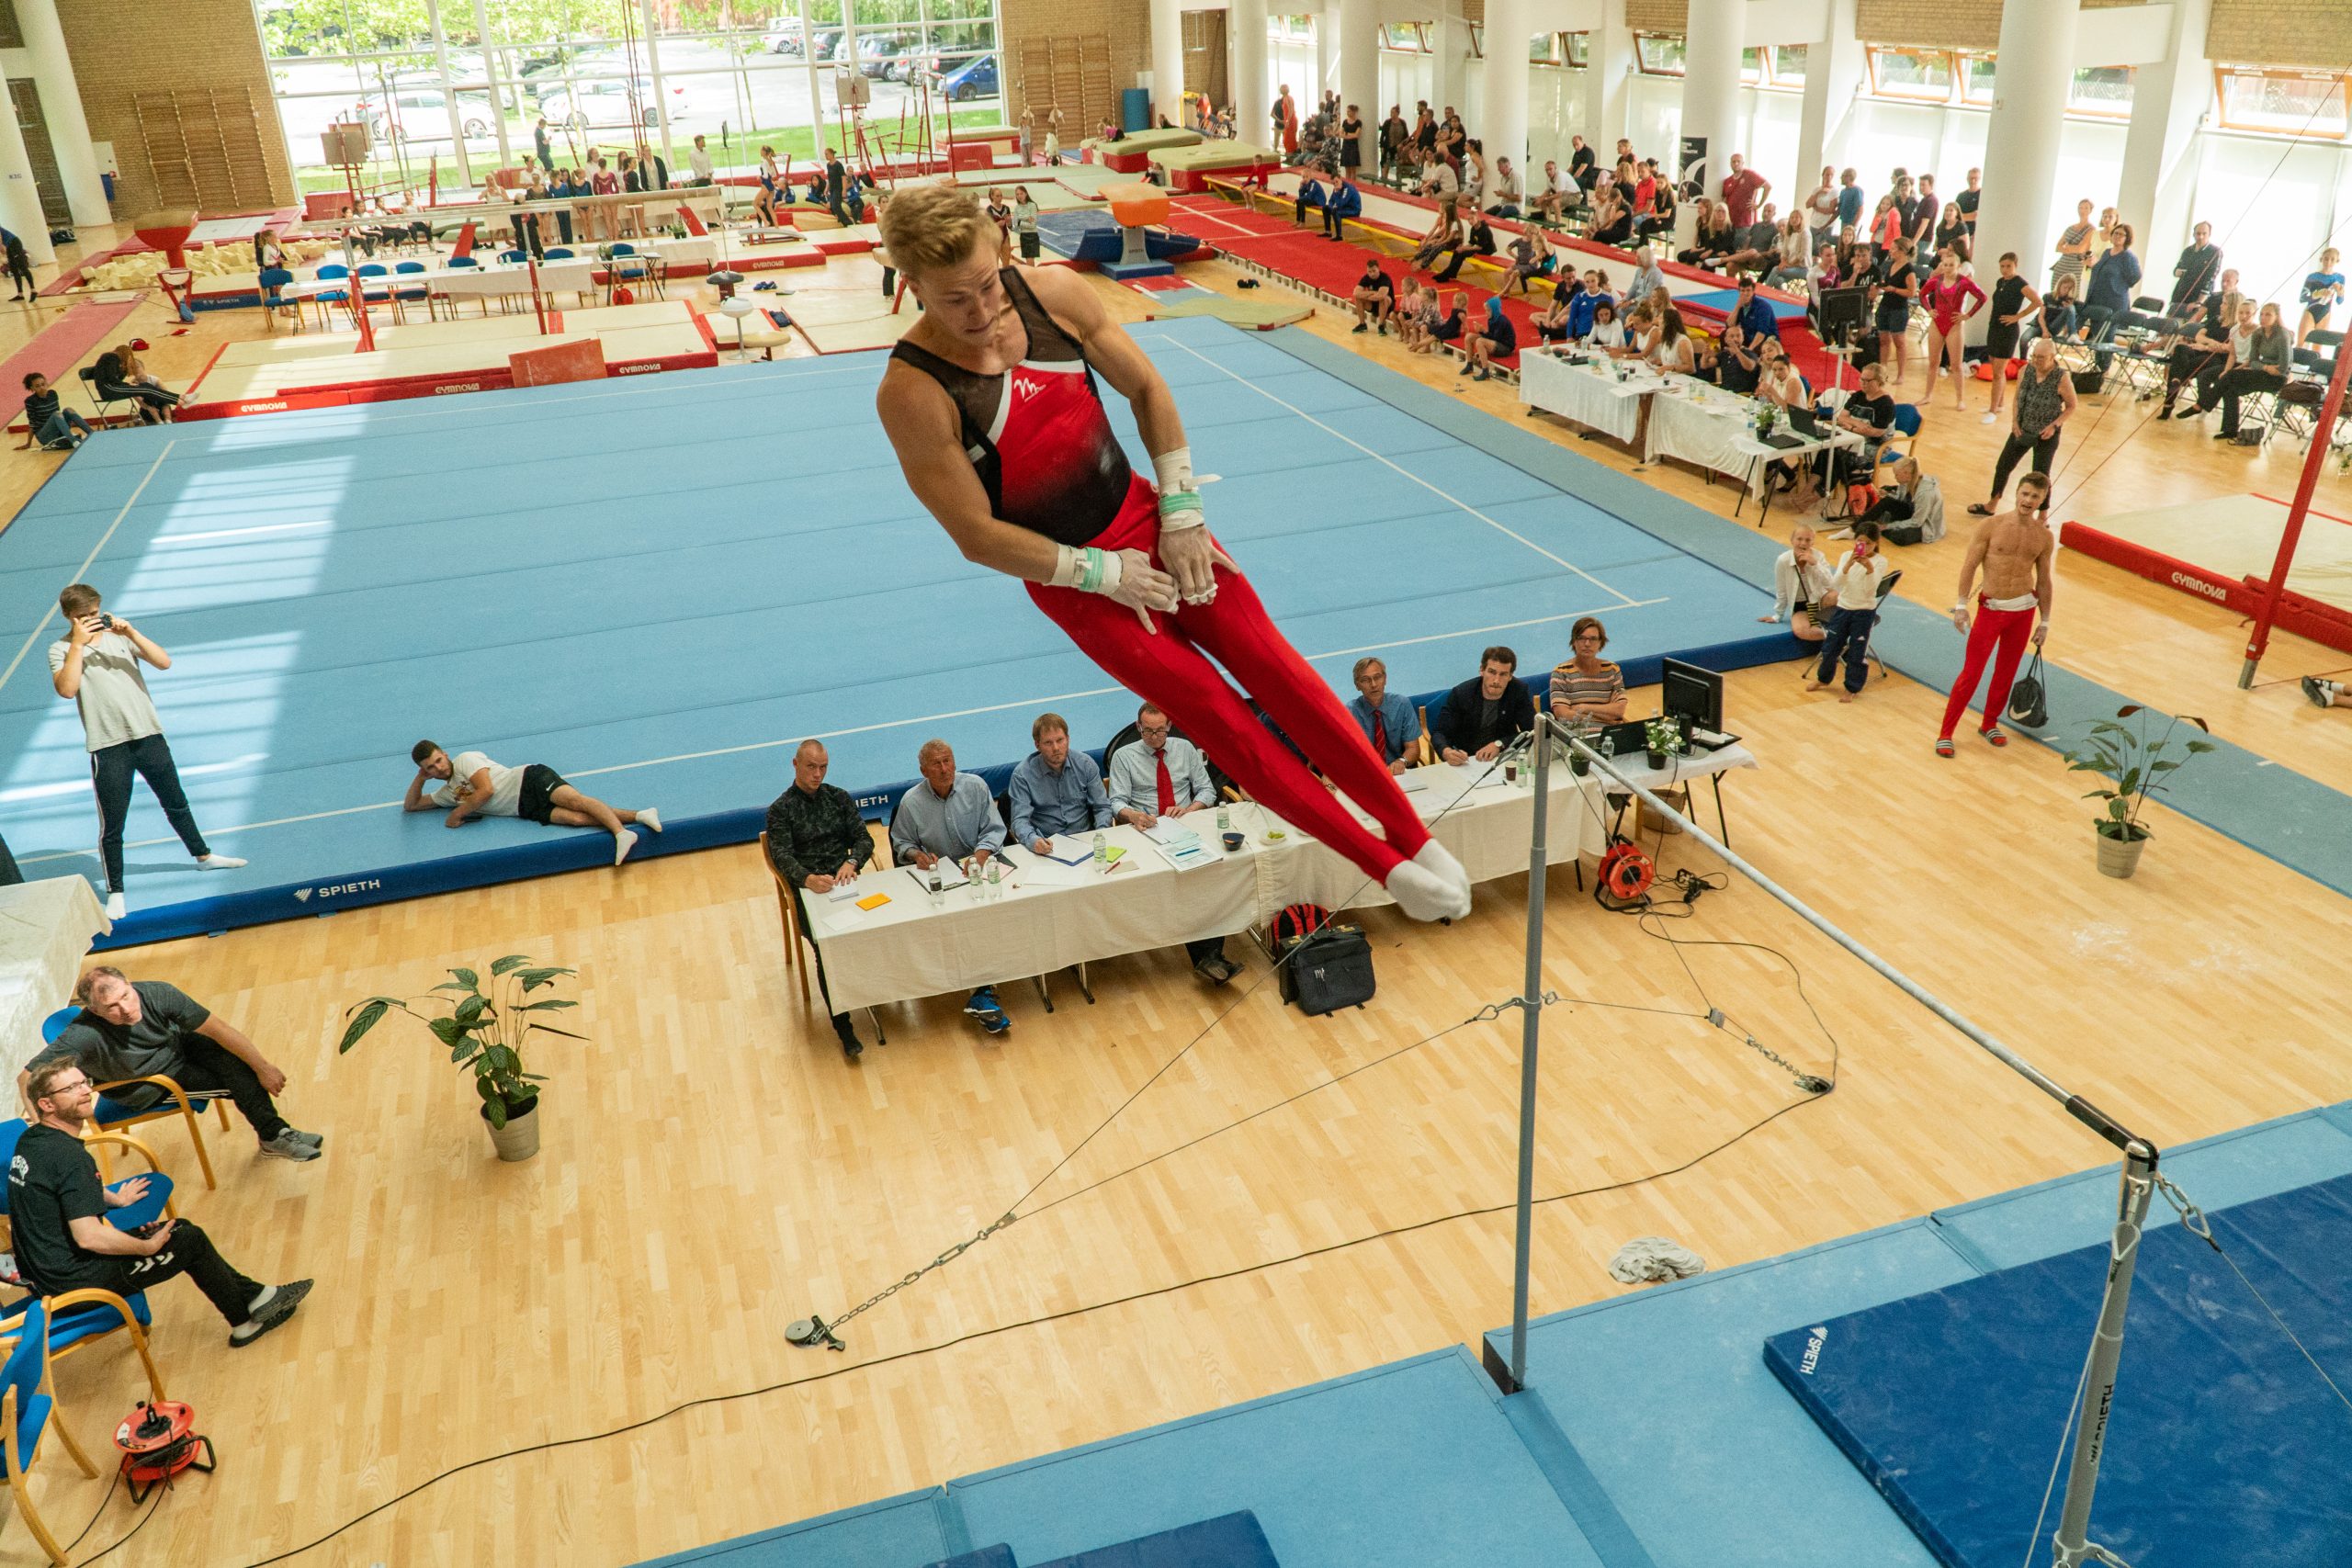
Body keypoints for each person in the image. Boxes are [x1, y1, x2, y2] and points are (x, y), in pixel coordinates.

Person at [873, 185, 1468, 919]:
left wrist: (1182, 509)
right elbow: (975, 534)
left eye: (988, 283)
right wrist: (1099, 572)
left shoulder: (1054, 294)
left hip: (1152, 522)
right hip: (1078, 584)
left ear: (1000, 251)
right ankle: (1380, 863)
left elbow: (1147, 387)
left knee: (1276, 668)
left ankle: (1414, 833)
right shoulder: (912, 391)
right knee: (1222, 718)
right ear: (912, 287)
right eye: (953, 300)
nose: (981, 311)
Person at [11, 1060, 313, 1347]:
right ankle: (246, 1323)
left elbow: (60, 1187)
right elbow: (89, 1236)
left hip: (43, 1274)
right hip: (74, 1286)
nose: (86, 1091)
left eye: (84, 1083)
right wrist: (145, 1247)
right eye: (71, 1089)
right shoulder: (70, 1158)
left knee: (176, 1230)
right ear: (46, 1105)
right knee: (187, 1240)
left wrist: (113, 1198)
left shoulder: (33, 1140)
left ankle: (257, 1299)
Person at [48, 585, 245, 919]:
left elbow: (164, 662)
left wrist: (132, 632)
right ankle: (116, 891)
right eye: (83, 618)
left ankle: (203, 856)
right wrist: (78, 646)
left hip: (148, 735)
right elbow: (67, 689)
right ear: (69, 617)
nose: (92, 621)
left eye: (95, 614)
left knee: (176, 803)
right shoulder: (61, 648)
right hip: (108, 745)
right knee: (113, 825)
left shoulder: (119, 636)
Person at [23, 966, 321, 1162]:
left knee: (240, 1060)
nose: (126, 1010)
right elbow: (26, 1077)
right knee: (240, 1077)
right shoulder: (84, 1034)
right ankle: (273, 1136)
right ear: (93, 1010)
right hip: (147, 1084)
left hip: (174, 1049)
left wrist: (264, 1067)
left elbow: (219, 1029)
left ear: (129, 984)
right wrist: (44, 1132)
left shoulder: (157, 993)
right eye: (112, 1007)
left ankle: (275, 1134)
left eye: (126, 996)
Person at [1101, 705, 1238, 982]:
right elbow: (1116, 802)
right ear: (1138, 727)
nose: (1154, 737)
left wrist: (1191, 809)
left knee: (1208, 878)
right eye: (1148, 731)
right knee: (1187, 882)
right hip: (1146, 831)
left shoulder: (1185, 750)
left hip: (1185, 826)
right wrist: (1134, 815)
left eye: (1160, 730)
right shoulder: (1124, 757)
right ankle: (1209, 957)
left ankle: (1210, 958)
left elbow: (1206, 789)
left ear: (1170, 726)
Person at [890, 739, 1014, 1030]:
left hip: (979, 869)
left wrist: (981, 854)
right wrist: (916, 855)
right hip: (943, 877)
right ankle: (983, 990)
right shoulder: (911, 802)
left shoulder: (976, 787)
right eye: (936, 763)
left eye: (948, 761)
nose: (944, 768)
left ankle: (985, 988)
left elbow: (995, 829)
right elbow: (902, 843)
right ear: (924, 770)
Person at [764, 740, 876, 1060]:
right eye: (811, 767)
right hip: (809, 890)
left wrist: (852, 863)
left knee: (882, 922)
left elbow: (863, 838)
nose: (818, 774)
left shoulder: (838, 797)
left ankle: (879, 992)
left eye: (823, 767)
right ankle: (843, 1025)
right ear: (795, 765)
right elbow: (781, 856)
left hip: (845, 883)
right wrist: (807, 879)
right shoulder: (781, 810)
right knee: (825, 948)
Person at [1937, 474, 2055, 756]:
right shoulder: (1991, 526)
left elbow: (2044, 581)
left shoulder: (2044, 536)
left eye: (2035, 497)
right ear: (2016, 493)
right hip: (1992, 610)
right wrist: (1962, 605)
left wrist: (2046, 621)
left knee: (2006, 673)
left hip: (2023, 612)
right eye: (2024, 494)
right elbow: (1969, 566)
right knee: (1972, 673)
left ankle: (1989, 723)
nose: (2028, 501)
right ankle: (1946, 732)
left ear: (2042, 500)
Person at [406, 741, 660, 864]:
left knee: (575, 801)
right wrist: (420, 778)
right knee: (575, 819)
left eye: (438, 761)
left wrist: (456, 815)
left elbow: (486, 790)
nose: (437, 768)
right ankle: (641, 815)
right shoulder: (447, 793)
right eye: (430, 768)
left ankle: (620, 833)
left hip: (529, 780)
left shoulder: (465, 760)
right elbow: (412, 806)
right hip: (523, 808)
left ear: (445, 755)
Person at [1970, 337, 2077, 517]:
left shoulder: (2061, 378)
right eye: (2034, 356)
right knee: (2003, 465)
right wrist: (2014, 422)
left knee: (2041, 475)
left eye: (2041, 357)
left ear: (2053, 357)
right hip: (2022, 428)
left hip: (2046, 434)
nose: (2036, 361)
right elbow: (2018, 398)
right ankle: (1992, 504)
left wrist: (2054, 426)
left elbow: (2072, 406)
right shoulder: (2026, 370)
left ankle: (2043, 516)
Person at [1805, 523, 1889, 702]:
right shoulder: (1846, 556)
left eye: (1868, 543)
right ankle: (1824, 679)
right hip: (1843, 608)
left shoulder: (1880, 562)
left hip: (1863, 612)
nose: (1863, 547)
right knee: (1830, 647)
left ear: (1876, 543)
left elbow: (1870, 590)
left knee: (1857, 652)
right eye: (1859, 542)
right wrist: (1847, 566)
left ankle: (1852, 687)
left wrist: (1869, 569)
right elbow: (1836, 584)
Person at [2200, 300, 2291, 442]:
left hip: (2277, 378)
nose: (2263, 318)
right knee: (2230, 389)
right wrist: (2266, 367)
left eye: (2268, 315)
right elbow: (2253, 361)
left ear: (2276, 317)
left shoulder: (2282, 335)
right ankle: (2229, 431)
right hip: (2263, 371)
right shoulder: (2258, 333)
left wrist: (2264, 367)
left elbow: (2284, 367)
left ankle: (2203, 404)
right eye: (2262, 314)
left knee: (2230, 376)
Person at [1430, 648, 1535, 764]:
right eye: (1492, 672)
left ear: (1510, 676)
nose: (1496, 680)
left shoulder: (1518, 691)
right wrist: (1447, 751)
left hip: (1503, 757)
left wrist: (1500, 744)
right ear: (1482, 670)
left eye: (1503, 674)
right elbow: (1439, 733)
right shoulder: (1462, 693)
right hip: (1467, 759)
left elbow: (1532, 731)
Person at [1917, 249, 1985, 412]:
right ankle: (1927, 395)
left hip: (1954, 325)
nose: (1948, 268)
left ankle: (1960, 399)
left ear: (1959, 266)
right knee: (1933, 362)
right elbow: (1922, 294)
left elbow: (1982, 297)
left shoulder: (1964, 282)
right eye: (1945, 265)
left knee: (1956, 364)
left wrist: (1967, 315)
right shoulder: (1936, 280)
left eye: (1951, 265)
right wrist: (1929, 310)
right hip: (1937, 323)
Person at [2158, 290, 2240, 421]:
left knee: (2181, 367)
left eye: (2224, 304)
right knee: (2181, 348)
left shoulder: (2236, 327)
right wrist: (2210, 343)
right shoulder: (2216, 320)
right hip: (2201, 349)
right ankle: (2176, 382)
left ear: (2233, 306)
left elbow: (2228, 348)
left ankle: (2169, 401)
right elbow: (2198, 336)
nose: (2221, 306)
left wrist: (2207, 346)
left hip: (2217, 358)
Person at [1981, 253, 2039, 426]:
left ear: (2015, 265)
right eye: (2002, 266)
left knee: (1998, 372)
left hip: (2008, 330)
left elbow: (2037, 301)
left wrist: (2017, 316)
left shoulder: (2020, 283)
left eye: (2008, 266)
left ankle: (1992, 410)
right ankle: (1999, 404)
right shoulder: (2001, 282)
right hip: (1995, 327)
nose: (2005, 269)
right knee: (1994, 364)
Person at [1759, 524, 1835, 645]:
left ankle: (1841, 630)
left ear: (1813, 542)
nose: (1803, 543)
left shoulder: (1819, 556)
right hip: (1801, 606)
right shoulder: (1783, 560)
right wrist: (1778, 615)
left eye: (1808, 540)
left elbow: (1830, 584)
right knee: (1801, 631)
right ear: (1792, 540)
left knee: (1836, 596)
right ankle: (1836, 636)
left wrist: (1815, 564)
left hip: (1821, 600)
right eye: (1799, 539)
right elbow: (1781, 590)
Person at [1348, 658, 1422, 774]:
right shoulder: (1349, 713)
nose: (1373, 684)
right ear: (1357, 685)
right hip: (1366, 773)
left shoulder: (1402, 704)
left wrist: (1401, 762)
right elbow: (1344, 754)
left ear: (1385, 679)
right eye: (1365, 680)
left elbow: (1413, 748)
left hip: (1398, 772)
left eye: (1377, 677)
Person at [1852, 454, 1946, 546]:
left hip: (1923, 525)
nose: (1895, 477)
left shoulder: (1926, 493)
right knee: (1887, 500)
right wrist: (1887, 495)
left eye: (1896, 474)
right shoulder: (1905, 482)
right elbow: (1899, 499)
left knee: (1901, 537)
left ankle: (1876, 529)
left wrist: (1887, 526)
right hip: (1910, 513)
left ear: (1907, 474)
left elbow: (1917, 521)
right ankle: (1856, 528)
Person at [1548, 618, 1627, 725]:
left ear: (1600, 642)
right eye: (1581, 638)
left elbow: (1619, 711)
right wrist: (1606, 718)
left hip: (1609, 736)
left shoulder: (1612, 670)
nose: (1587, 644)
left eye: (1593, 639)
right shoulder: (1561, 673)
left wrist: (1583, 707)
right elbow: (1563, 716)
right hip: (1576, 737)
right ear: (1574, 642)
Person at [94, 345, 175, 423]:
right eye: (133, 368)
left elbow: (164, 392)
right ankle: (159, 421)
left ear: (143, 367)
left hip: (160, 401)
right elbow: (140, 402)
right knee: (148, 394)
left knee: (161, 400)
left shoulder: (154, 379)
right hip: (147, 408)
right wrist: (149, 408)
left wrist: (163, 401)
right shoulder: (133, 383)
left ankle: (168, 419)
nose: (136, 370)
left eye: (138, 367)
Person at [1876, 237, 1918, 384]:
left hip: (1898, 308)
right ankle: (1882, 370)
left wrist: (1894, 289)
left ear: (1902, 251)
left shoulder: (1909, 270)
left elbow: (1912, 292)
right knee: (1883, 340)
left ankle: (1901, 374)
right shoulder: (1892, 265)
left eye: (1894, 249)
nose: (1891, 251)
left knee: (1899, 342)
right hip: (1885, 305)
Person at [20, 372, 91, 451]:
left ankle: (92, 433)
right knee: (56, 414)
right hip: (44, 436)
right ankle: (74, 442)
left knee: (68, 410)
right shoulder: (30, 401)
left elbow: (60, 418)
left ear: (47, 383)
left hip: (58, 430)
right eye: (37, 386)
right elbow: (32, 424)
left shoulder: (52, 394)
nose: (42, 388)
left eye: (43, 384)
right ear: (32, 388)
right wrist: (28, 443)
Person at [1461, 295, 1516, 382]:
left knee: (1480, 341)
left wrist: (1483, 331)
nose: (1486, 312)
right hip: (1497, 343)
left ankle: (1485, 371)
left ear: (1494, 309)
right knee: (1469, 337)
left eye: (1488, 310)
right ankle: (1469, 364)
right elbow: (1491, 336)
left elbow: (1495, 338)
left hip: (1505, 347)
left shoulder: (1502, 320)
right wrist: (1481, 331)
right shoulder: (1492, 319)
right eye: (1485, 310)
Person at [2168, 220, 2221, 312]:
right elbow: (2176, 271)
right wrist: (2181, 272)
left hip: (2197, 297)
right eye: (2198, 233)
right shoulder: (2187, 251)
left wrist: (2199, 302)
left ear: (2209, 234)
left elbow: (2210, 278)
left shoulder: (2215, 252)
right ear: (2194, 234)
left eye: (2204, 234)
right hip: (2180, 294)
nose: (2200, 237)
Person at [1431, 213, 1497, 284]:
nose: (1470, 221)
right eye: (1468, 219)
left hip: (1486, 250)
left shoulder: (1484, 230)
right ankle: (1450, 274)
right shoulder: (1473, 229)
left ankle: (1445, 274)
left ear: (1477, 218)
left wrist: (1464, 249)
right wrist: (1462, 248)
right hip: (1478, 247)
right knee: (1457, 251)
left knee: (1463, 254)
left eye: (1472, 219)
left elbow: (1479, 247)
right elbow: (1471, 243)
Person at [2299, 248, 2345, 346]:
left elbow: (2340, 301)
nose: (2328, 262)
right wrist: (2317, 294)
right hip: (2310, 312)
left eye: (2332, 259)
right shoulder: (2312, 277)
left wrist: (2340, 292)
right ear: (2321, 259)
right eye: (2326, 259)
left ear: (2337, 261)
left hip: (2325, 314)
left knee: (2318, 347)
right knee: (2301, 344)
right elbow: (2302, 298)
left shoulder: (2339, 278)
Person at [1721, 152, 1770, 230]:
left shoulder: (1750, 175)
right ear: (1730, 164)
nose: (1736, 164)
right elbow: (1723, 200)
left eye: (1738, 161)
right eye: (1733, 162)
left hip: (1746, 224)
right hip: (1730, 223)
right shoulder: (1727, 181)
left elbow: (1768, 187)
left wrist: (1758, 205)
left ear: (1742, 163)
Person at [1350, 255, 1394, 334]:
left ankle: (1381, 326)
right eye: (1370, 272)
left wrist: (1366, 295)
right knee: (1358, 298)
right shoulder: (1366, 278)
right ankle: (1362, 324)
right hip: (1373, 303)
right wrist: (1372, 292)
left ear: (1378, 269)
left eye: (1374, 271)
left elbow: (1381, 295)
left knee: (1384, 299)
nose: (1372, 274)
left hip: (1387, 305)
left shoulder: (1385, 278)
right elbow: (1356, 293)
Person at [1322, 171, 1363, 241]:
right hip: (1344, 208)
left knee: (1336, 212)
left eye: (1336, 182)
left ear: (1340, 179)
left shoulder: (1347, 188)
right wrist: (1331, 207)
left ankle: (1339, 236)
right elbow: (1331, 201)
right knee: (1326, 208)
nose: (1335, 184)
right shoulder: (1336, 188)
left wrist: (1337, 192)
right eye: (1333, 183)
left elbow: (1341, 203)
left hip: (1353, 210)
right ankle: (1328, 231)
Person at [4, 226, 35, 300]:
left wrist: (2, 254)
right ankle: (20, 294)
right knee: (14, 270)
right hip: (9, 246)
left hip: (14, 243)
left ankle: (33, 290)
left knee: (23, 267)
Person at [1011, 186, 1041, 262]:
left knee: (1030, 260)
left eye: (1021, 193)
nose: (1019, 196)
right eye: (1017, 194)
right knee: (1028, 260)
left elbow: (1032, 225)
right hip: (1023, 236)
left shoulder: (1032, 205)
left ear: (1026, 194)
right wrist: (1027, 218)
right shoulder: (1017, 208)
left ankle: (1032, 274)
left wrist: (1020, 220)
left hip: (1032, 235)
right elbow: (1016, 224)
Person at [1836, 168, 1864, 245]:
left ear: (1849, 177)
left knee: (1851, 245)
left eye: (1843, 176)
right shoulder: (1843, 191)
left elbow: (1860, 210)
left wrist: (1853, 226)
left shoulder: (1857, 190)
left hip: (1852, 223)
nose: (1841, 178)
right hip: (1844, 222)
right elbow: (1839, 209)